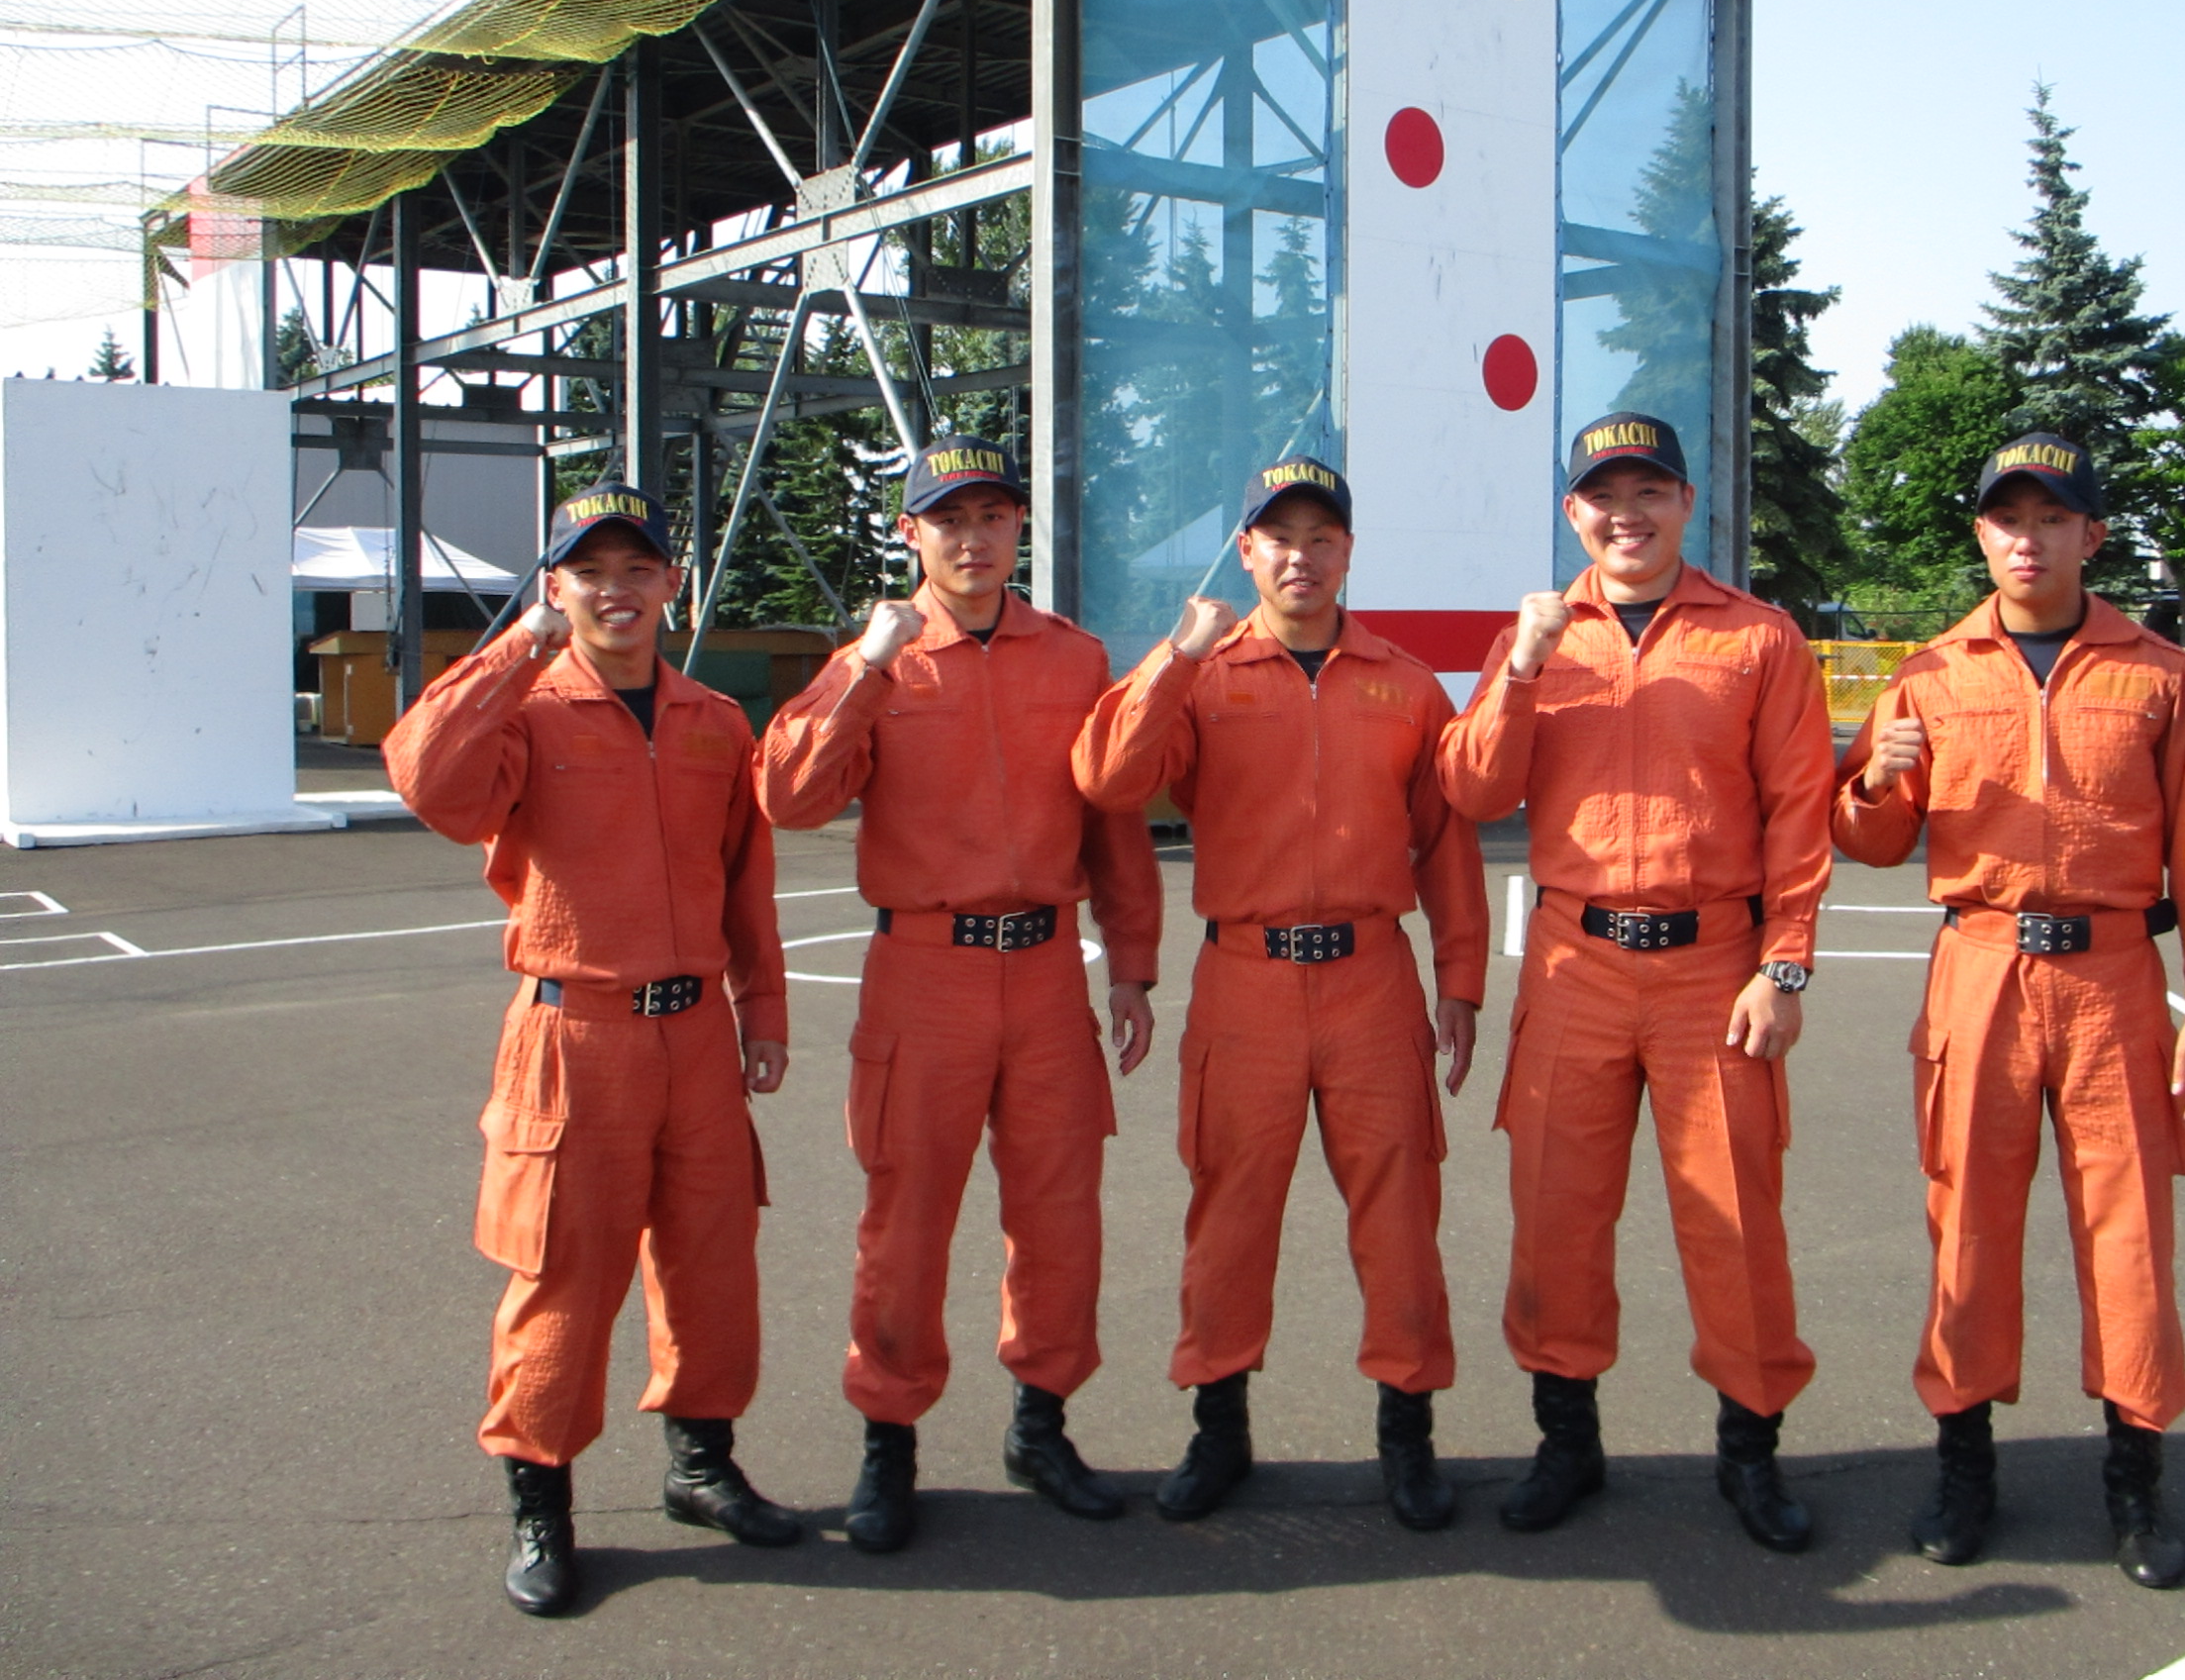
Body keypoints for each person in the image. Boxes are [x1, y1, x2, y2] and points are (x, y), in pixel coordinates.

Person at [1830, 432, 2185, 1589]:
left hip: (2114, 983)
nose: (2028, 538)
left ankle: (2135, 1481)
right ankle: (1964, 1468)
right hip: (1979, 976)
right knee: (1965, 1226)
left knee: (2130, 1237)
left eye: (2052, 518)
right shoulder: (1928, 673)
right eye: (2007, 518)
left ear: (2090, 536)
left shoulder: (2159, 674)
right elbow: (1865, 839)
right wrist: (1874, 779)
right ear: (1980, 534)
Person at [383, 481, 800, 1619]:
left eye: (636, 570)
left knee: (712, 1263)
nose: (616, 591)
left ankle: (702, 1466)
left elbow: (744, 884)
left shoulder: (714, 720)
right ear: (555, 587)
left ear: (672, 583)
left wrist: (762, 1013)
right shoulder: (523, 711)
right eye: (588, 572)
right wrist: (516, 649)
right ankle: (542, 1505)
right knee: (563, 1278)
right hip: (576, 1036)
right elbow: (426, 780)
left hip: (695, 1038)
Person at [755, 435, 1161, 1552]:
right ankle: (888, 1442)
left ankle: (1042, 1426)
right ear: (910, 534)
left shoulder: (1075, 659)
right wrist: (862, 667)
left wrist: (1132, 963)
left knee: (1059, 1215)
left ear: (1018, 527)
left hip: (1047, 973)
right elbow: (789, 797)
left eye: (991, 516)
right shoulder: (880, 660)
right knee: (907, 1220)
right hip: (922, 976)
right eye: (947, 519)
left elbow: (1113, 824)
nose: (972, 539)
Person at [1437, 413, 1834, 1549]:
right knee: (1555, 1214)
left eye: (1648, 491)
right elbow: (1473, 792)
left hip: (1714, 969)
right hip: (1575, 964)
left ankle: (1749, 1450)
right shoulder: (1536, 638)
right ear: (1573, 513)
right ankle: (1567, 1441)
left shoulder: (1758, 639)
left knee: (1735, 1221)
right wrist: (1521, 668)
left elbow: (1799, 812)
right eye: (1603, 495)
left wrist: (1784, 963)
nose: (1627, 514)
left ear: (1685, 504)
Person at [1071, 455, 1488, 1532]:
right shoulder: (1202, 674)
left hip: (1372, 979)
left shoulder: (1405, 683)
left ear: (1347, 552)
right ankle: (1219, 1429)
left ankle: (1407, 1432)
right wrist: (1175, 656)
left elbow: (1445, 844)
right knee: (1229, 1214)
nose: (1301, 557)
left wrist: (1460, 979)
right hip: (1244, 979)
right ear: (1246, 551)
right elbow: (1111, 780)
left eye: (1321, 538)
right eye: (1279, 538)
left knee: (1401, 1216)